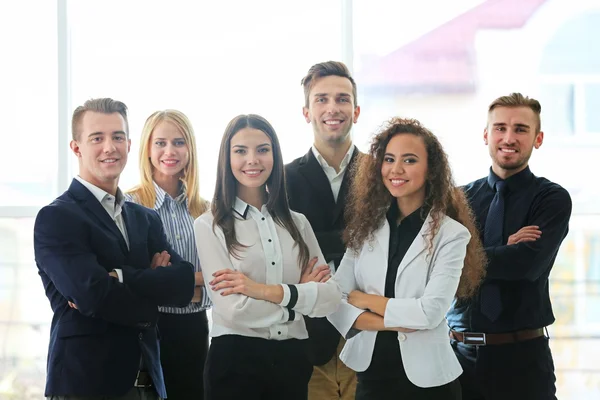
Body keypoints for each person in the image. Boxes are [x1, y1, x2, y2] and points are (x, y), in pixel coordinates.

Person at [34, 98, 195, 400]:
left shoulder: (144, 217)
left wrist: (118, 277)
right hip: (86, 383)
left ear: (130, 144)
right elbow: (93, 294)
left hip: (148, 381)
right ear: (76, 147)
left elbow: (183, 282)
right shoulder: (57, 217)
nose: (110, 147)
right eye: (97, 138)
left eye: (117, 137)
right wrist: (151, 293)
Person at [327, 118, 486, 400]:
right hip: (371, 378)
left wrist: (365, 301)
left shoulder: (451, 235)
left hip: (429, 384)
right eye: (389, 159)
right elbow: (334, 302)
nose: (396, 169)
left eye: (409, 160)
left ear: (431, 169)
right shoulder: (363, 229)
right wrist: (393, 320)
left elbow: (430, 312)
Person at [193, 114, 342, 400]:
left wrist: (260, 291)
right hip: (236, 362)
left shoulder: (298, 224)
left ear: (274, 155)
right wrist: (298, 301)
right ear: (227, 158)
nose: (253, 160)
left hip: (292, 360)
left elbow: (331, 298)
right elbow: (233, 309)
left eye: (263, 149)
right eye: (240, 151)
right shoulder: (209, 225)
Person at [446, 93, 572, 400]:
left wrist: (467, 257)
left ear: (537, 138)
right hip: (457, 359)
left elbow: (525, 266)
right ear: (486, 135)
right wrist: (506, 247)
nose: (509, 137)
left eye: (520, 129)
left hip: (523, 361)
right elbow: (439, 268)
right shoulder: (457, 200)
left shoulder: (551, 199)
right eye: (500, 128)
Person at [285, 60, 361, 400]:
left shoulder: (384, 175)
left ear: (356, 111)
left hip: (368, 337)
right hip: (306, 342)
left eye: (342, 99)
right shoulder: (280, 180)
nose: (333, 108)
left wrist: (314, 241)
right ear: (306, 112)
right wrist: (351, 239)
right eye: (322, 99)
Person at [126, 109, 210, 399]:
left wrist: (169, 283)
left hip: (194, 331)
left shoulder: (208, 212)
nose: (170, 151)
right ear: (147, 149)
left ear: (190, 149)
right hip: (147, 329)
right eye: (160, 142)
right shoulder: (129, 205)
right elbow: (134, 281)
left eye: (179, 142)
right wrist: (195, 282)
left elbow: (223, 280)